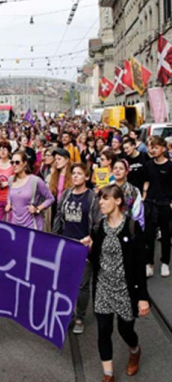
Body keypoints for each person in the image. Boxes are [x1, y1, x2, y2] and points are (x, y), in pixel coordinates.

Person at [88, 185, 150, 382]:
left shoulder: (132, 227)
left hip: (125, 289)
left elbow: (139, 265)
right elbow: (95, 259)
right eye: (100, 199)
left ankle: (135, 349)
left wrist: (142, 298)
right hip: (103, 288)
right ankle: (108, 375)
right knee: (103, 331)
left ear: (118, 201)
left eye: (105, 198)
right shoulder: (97, 227)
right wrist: (88, 248)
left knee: (125, 330)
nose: (101, 202)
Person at [53, 163, 101, 335]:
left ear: (87, 177)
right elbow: (59, 216)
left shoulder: (92, 197)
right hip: (66, 244)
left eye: (79, 174)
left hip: (83, 247)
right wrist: (55, 237)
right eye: (73, 173)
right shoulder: (66, 195)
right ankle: (67, 314)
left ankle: (80, 316)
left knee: (81, 285)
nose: (75, 176)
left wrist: (91, 241)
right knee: (65, 282)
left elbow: (97, 224)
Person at [143, 136, 172, 278]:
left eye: (155, 147)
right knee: (148, 236)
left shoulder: (170, 166)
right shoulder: (148, 165)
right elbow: (145, 182)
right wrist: (144, 196)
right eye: (150, 147)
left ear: (163, 148)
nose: (152, 150)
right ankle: (149, 264)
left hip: (164, 204)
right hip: (150, 204)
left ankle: (165, 262)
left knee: (166, 235)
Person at [5, 151, 54, 230]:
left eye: (17, 162)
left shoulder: (35, 180)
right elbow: (10, 194)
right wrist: (9, 203)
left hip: (32, 225)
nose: (14, 165)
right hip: (15, 225)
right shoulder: (11, 180)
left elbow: (50, 198)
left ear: (24, 163)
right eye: (12, 162)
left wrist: (38, 209)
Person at [113, 159, 144, 228]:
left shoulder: (134, 191)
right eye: (115, 168)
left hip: (127, 227)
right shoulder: (107, 189)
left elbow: (138, 213)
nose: (117, 170)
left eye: (121, 169)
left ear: (126, 172)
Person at [0, 140, 14, 221]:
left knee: (11, 223)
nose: (2, 151)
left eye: (5, 149)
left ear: (9, 151)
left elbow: (17, 180)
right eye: (0, 149)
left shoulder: (13, 165)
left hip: (10, 198)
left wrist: (7, 183)